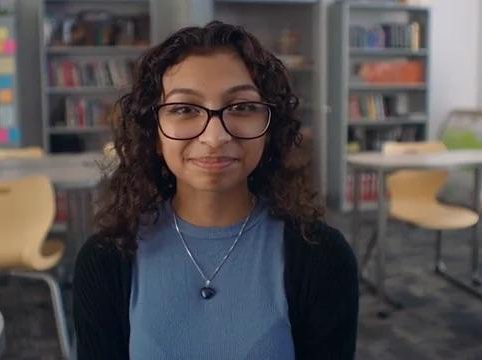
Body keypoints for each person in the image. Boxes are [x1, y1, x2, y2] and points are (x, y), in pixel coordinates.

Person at [73, 21, 358, 359]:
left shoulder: (323, 257)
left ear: (270, 127)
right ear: (154, 131)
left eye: (241, 107)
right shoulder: (106, 260)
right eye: (184, 109)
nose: (214, 138)